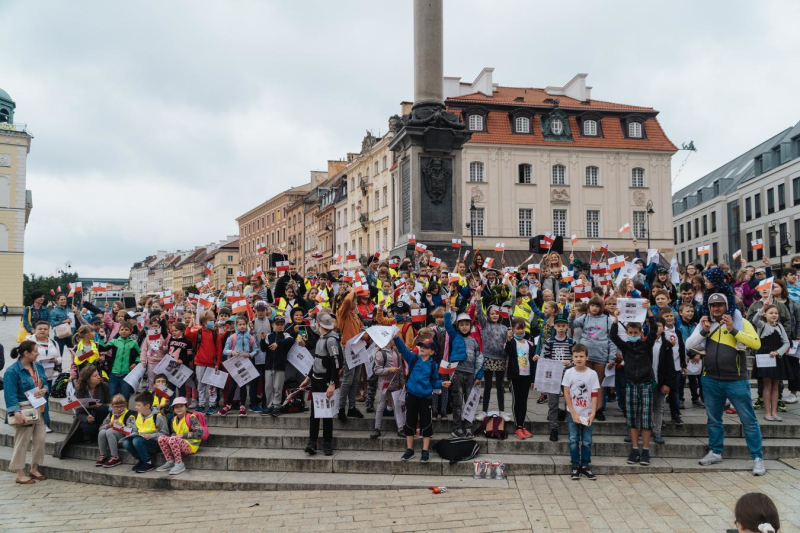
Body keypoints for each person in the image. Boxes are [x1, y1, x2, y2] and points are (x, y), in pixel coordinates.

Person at [685, 293, 765, 476]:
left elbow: (756, 343)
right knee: (713, 419)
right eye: (713, 305)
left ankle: (757, 458)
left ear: (727, 306)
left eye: (720, 305)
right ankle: (715, 452)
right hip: (711, 379)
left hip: (736, 380)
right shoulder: (706, 323)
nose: (716, 308)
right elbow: (689, 344)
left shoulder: (740, 322)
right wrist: (704, 331)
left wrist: (733, 330)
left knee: (749, 420)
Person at [610, 303, 658, 466]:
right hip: (631, 384)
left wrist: (649, 311)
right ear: (627, 333)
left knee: (646, 419)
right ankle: (635, 449)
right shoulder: (625, 346)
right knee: (632, 419)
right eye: (630, 333)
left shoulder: (646, 344)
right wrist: (616, 319)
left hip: (645, 384)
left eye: (635, 333)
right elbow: (613, 336)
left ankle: (646, 451)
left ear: (640, 333)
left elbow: (653, 331)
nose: (632, 335)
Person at [392, 336, 451, 462]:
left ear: (432, 351)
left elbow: (434, 382)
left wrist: (441, 383)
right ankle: (409, 450)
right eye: (421, 346)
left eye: (426, 347)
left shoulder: (433, 366)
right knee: (409, 422)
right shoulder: (413, 358)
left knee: (426, 423)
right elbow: (403, 349)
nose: (422, 348)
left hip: (425, 398)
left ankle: (425, 451)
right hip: (411, 396)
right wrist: (396, 338)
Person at [3, 340, 49, 484]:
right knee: (22, 441)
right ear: (26, 353)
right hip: (24, 409)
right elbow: (10, 394)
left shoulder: (38, 366)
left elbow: (45, 382)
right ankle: (20, 473)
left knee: (40, 440)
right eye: (35, 351)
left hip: (39, 407)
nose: (37, 353)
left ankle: (34, 469)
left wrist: (44, 389)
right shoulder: (12, 371)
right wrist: (16, 413)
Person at [569, 296, 616, 421]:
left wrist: (612, 357)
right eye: (592, 305)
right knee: (586, 381)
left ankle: (598, 409)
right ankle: (586, 407)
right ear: (589, 306)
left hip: (601, 355)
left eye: (597, 306)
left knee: (598, 383)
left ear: (601, 307)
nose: (594, 308)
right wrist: (572, 315)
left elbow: (612, 339)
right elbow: (571, 324)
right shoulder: (585, 317)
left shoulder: (607, 320)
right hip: (586, 354)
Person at [300, 312, 340, 456]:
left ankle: (327, 442)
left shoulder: (331, 340)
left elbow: (336, 364)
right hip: (316, 379)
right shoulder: (321, 338)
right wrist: (308, 378)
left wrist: (332, 383)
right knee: (315, 412)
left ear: (318, 324)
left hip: (326, 380)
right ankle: (312, 441)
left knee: (326, 413)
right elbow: (317, 360)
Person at [443, 298, 484, 438]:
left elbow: (480, 359)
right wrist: (448, 308)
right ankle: (457, 427)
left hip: (471, 375)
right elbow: (447, 324)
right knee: (457, 402)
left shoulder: (474, 341)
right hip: (457, 373)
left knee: (469, 402)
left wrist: (479, 376)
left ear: (470, 326)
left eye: (467, 324)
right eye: (461, 325)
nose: (464, 327)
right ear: (458, 327)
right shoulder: (455, 336)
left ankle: (468, 427)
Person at [562, 344, 599, 480]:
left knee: (587, 440)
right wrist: (572, 412)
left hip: (587, 413)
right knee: (573, 439)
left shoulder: (592, 374)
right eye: (576, 356)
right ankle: (575, 465)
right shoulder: (569, 373)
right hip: (572, 412)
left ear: (586, 357)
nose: (578, 359)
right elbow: (566, 393)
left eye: (581, 356)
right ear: (572, 357)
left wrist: (593, 412)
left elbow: (594, 394)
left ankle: (585, 465)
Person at [751, 304, 792, 422]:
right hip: (765, 357)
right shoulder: (762, 325)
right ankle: (767, 412)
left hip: (777, 357)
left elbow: (786, 343)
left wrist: (778, 352)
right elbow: (755, 319)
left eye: (776, 313)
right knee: (767, 385)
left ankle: (774, 412)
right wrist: (763, 308)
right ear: (765, 315)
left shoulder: (780, 326)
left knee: (776, 385)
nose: (774, 315)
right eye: (771, 313)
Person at [539, 316, 575, 442]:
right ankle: (553, 429)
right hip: (553, 376)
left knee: (568, 403)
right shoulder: (549, 342)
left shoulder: (571, 342)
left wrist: (571, 362)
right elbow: (544, 358)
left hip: (568, 375)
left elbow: (576, 357)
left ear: (567, 327)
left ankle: (571, 428)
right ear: (554, 327)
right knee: (553, 404)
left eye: (563, 326)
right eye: (558, 326)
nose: (561, 328)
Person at [219, 316, 258, 416]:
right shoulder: (232, 337)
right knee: (232, 386)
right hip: (234, 364)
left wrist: (250, 354)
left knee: (243, 386)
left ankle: (242, 406)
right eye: (240, 324)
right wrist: (232, 352)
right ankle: (228, 405)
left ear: (247, 325)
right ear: (236, 325)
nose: (242, 326)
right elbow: (225, 350)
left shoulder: (251, 337)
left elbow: (256, 350)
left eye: (244, 324)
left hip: (245, 364)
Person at [504, 318, 536, 440]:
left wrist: (533, 379)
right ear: (513, 329)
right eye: (517, 328)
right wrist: (508, 339)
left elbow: (532, 361)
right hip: (515, 376)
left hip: (526, 376)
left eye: (522, 328)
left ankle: (522, 425)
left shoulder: (529, 343)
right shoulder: (511, 342)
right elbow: (507, 351)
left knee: (524, 401)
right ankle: (518, 427)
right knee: (517, 401)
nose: (520, 331)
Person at [122, 392, 169, 473]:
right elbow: (135, 430)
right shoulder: (137, 416)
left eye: (138, 405)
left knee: (136, 440)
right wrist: (131, 434)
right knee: (126, 442)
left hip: (155, 444)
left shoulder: (158, 417)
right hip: (140, 440)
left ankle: (148, 463)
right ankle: (142, 460)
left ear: (147, 406)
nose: (136, 407)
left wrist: (150, 436)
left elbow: (165, 434)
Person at [156, 397, 202, 476]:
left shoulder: (191, 418)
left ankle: (179, 463)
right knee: (161, 438)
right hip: (178, 443)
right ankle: (170, 461)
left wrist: (183, 435)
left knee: (173, 439)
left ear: (186, 407)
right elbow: (174, 433)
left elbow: (199, 433)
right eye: (176, 407)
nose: (179, 409)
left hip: (191, 445)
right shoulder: (173, 419)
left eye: (181, 406)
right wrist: (173, 438)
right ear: (173, 409)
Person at [260, 315, 295, 416]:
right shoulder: (268, 336)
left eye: (281, 324)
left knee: (277, 387)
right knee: (268, 387)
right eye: (277, 324)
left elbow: (290, 340)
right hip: (268, 366)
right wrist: (262, 340)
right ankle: (269, 405)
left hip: (280, 366)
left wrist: (278, 343)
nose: (279, 326)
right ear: (272, 325)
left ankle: (277, 406)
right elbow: (263, 349)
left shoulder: (285, 335)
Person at [97, 321, 140, 400]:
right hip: (114, 373)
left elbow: (139, 354)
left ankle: (125, 408)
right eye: (122, 329)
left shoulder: (133, 343)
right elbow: (102, 348)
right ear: (119, 331)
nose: (124, 331)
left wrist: (135, 363)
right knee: (112, 394)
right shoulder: (115, 341)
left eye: (126, 330)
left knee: (125, 395)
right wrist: (102, 337)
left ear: (130, 332)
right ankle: (113, 408)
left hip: (127, 374)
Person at [95, 394, 135, 468]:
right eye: (116, 407)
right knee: (102, 432)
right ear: (112, 406)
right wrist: (108, 425)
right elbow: (100, 428)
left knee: (110, 431)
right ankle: (103, 455)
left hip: (123, 440)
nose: (119, 409)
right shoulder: (111, 415)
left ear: (125, 405)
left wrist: (121, 426)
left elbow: (131, 431)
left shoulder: (129, 415)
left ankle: (115, 457)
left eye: (121, 406)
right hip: (111, 439)